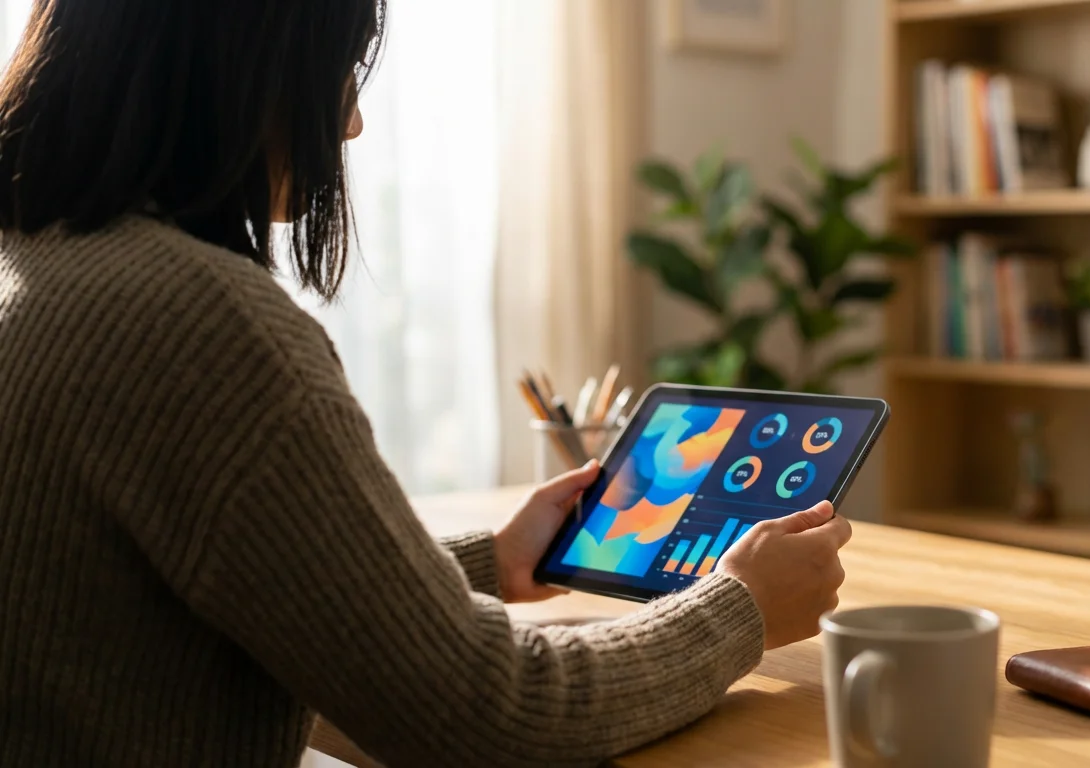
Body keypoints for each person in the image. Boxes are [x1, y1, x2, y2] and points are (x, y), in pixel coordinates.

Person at [0, 2, 853, 767]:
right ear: (250, 71)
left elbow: (199, 596)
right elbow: (490, 717)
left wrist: (490, 563)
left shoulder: (33, 266)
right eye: (340, 71)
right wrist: (739, 607)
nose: (354, 120)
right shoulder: (197, 324)